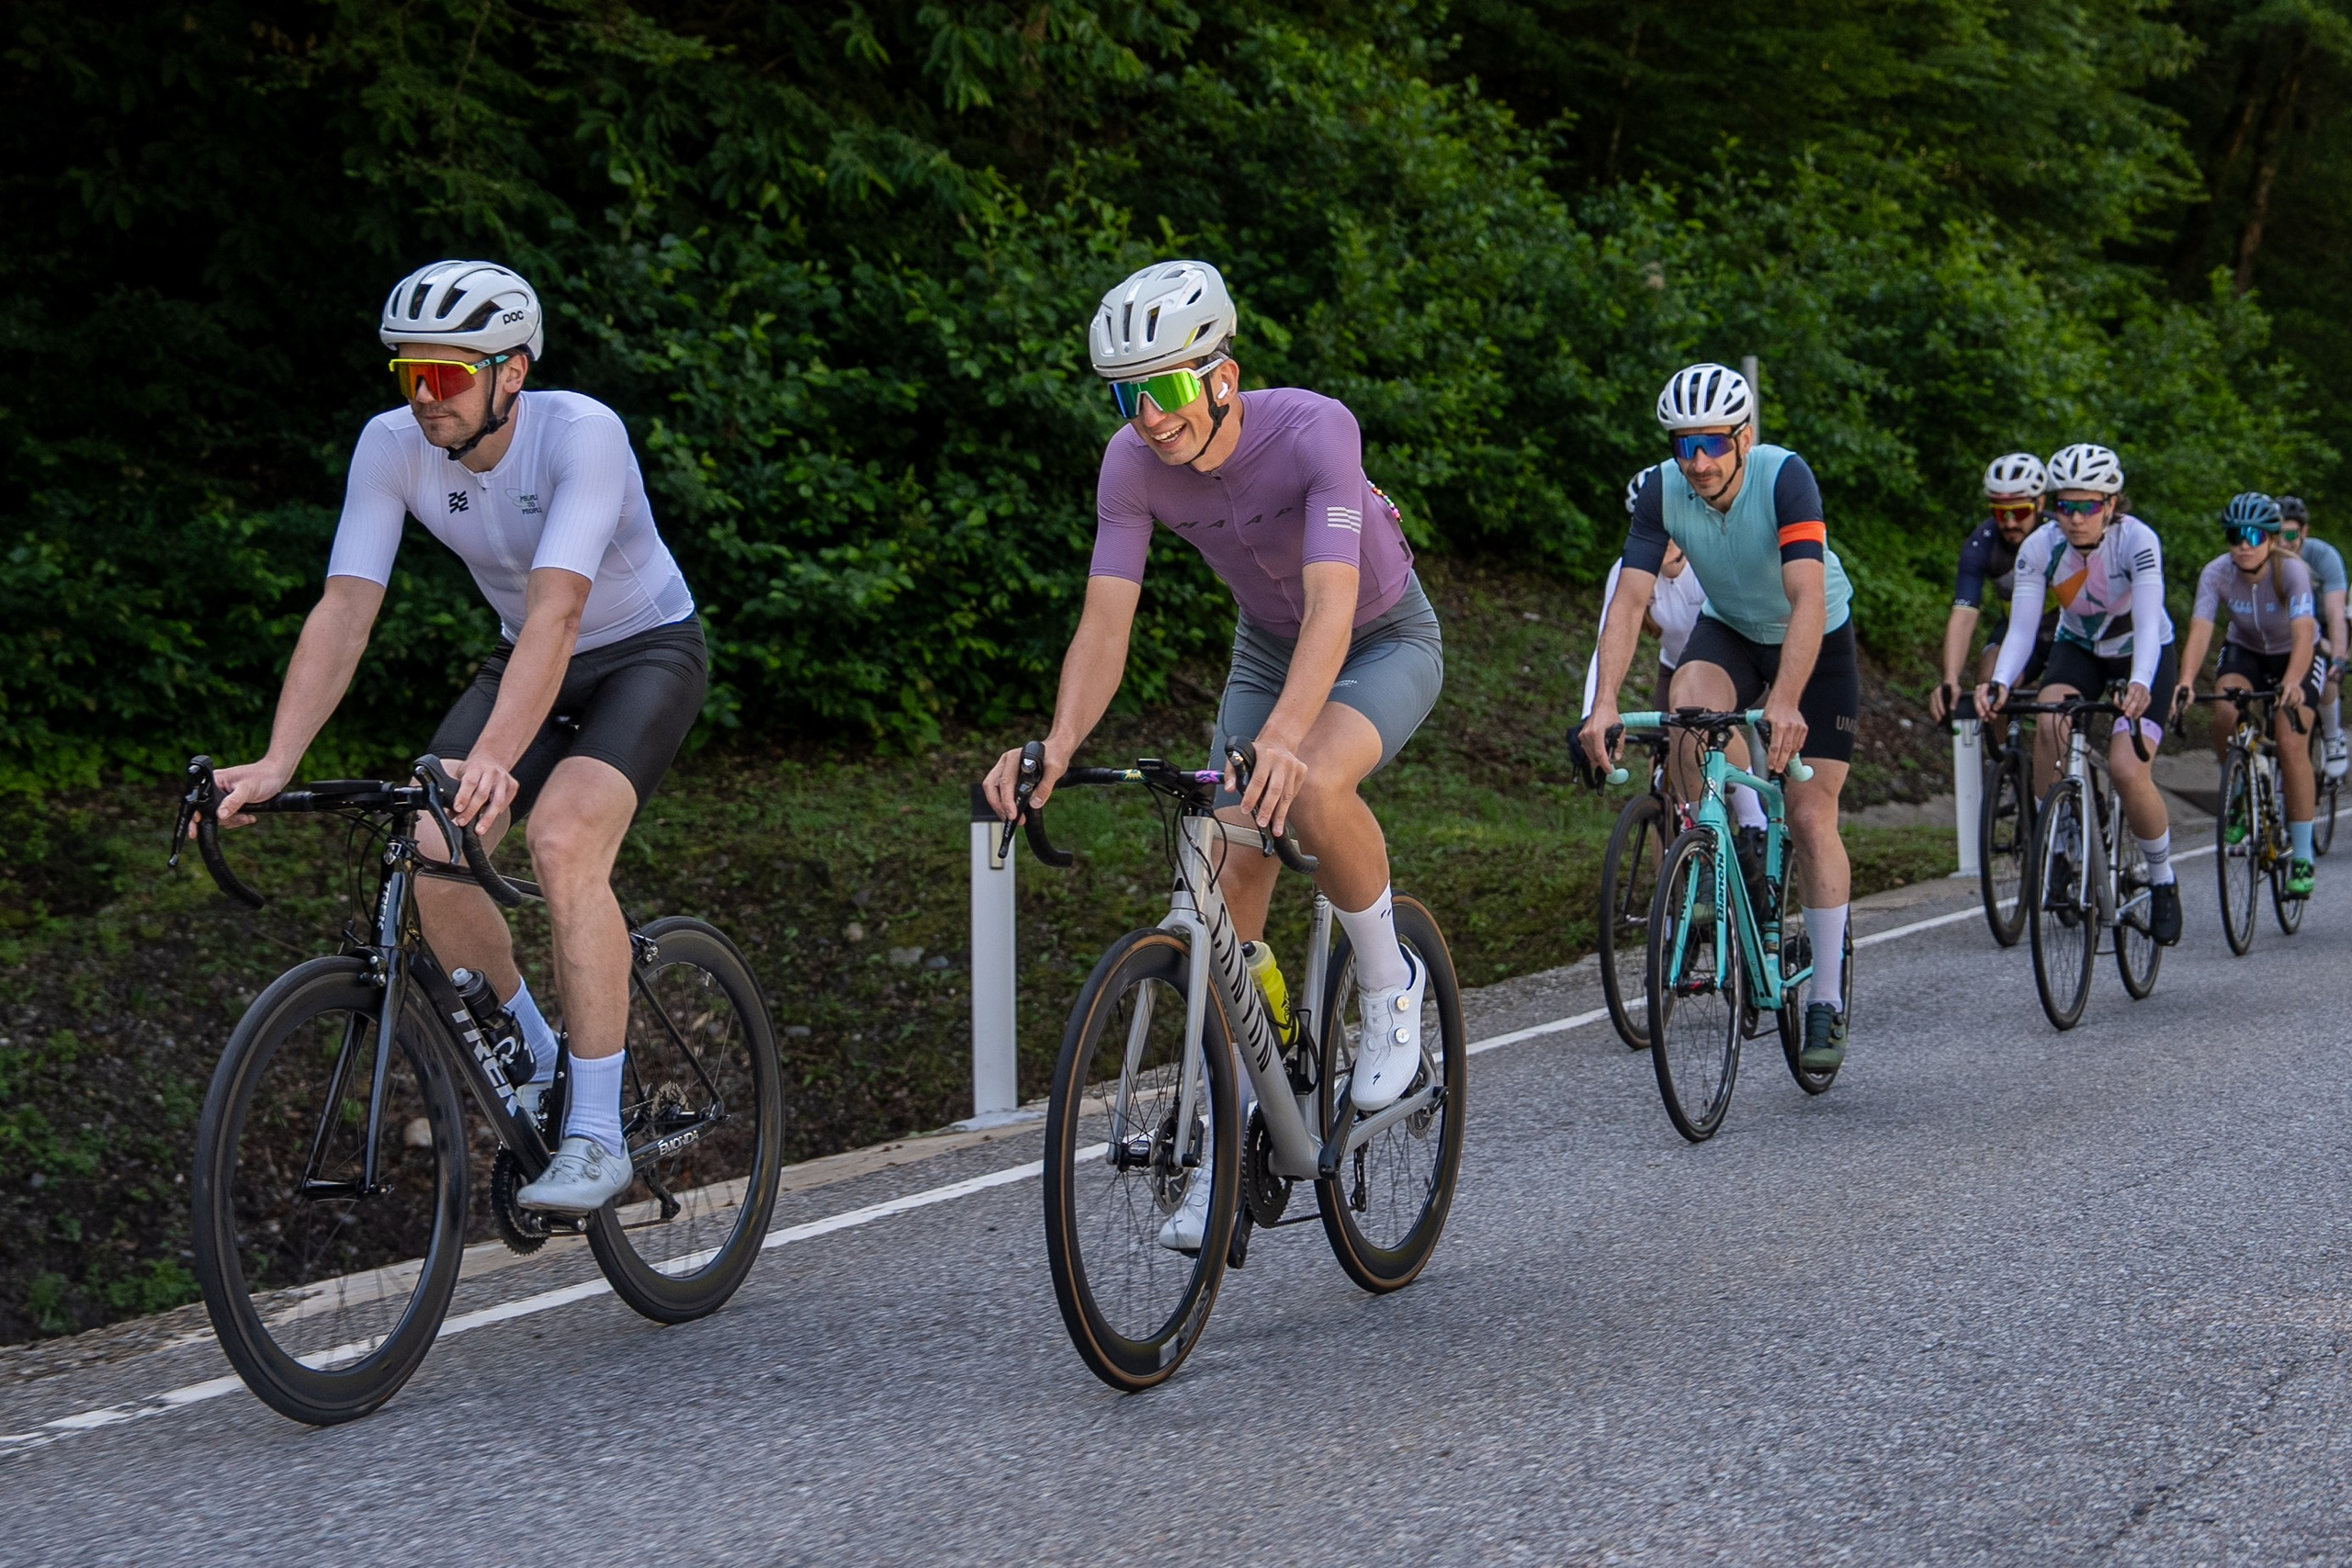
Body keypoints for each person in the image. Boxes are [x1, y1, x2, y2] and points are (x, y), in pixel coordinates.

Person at [203, 260, 707, 1213]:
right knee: (432, 839)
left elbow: (560, 612)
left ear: (512, 371)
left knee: (562, 841)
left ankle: (598, 1135)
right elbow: (345, 610)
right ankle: (537, 1055)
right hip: (525, 655)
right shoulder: (391, 445)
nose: (424, 396)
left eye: (445, 375)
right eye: (409, 373)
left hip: (643, 653)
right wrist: (278, 760)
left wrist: (495, 761)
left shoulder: (583, 433)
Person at [981, 259, 1443, 1252]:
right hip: (1266, 651)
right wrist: (1058, 742)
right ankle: (1229, 1149)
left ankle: (1387, 980)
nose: (1150, 417)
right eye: (1128, 395)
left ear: (1222, 375)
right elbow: (1106, 621)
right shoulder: (1129, 464)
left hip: (1379, 637)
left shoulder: (1315, 429)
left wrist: (1284, 737)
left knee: (1309, 786)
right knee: (1221, 884)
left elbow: (1331, 603)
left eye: (1168, 387)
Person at [1579, 362, 1860, 1073]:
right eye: (1685, 445)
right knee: (1688, 715)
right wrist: (1604, 702)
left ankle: (1826, 996)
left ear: (1744, 437)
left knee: (1811, 815)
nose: (1698, 462)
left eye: (1712, 443)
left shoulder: (1785, 477)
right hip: (1730, 627)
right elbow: (1629, 601)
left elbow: (1807, 597)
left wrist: (1786, 699)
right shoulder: (1662, 491)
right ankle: (1715, 851)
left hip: (1814, 637)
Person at [1975, 443, 2181, 944]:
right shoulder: (2041, 546)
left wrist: (2139, 682)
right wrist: (2001, 680)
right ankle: (2063, 844)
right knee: (2050, 720)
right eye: (2066, 505)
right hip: (2081, 648)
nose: (2075, 518)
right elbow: (2022, 630)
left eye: (2087, 506)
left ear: (2110, 505)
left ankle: (2162, 880)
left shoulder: (2138, 541)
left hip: (2141, 650)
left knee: (2128, 770)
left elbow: (2148, 623)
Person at [2173, 493, 2320, 897]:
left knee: (2290, 741)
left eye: (2253, 536)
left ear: (2271, 539)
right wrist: (2186, 680)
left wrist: (2293, 680)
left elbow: (2304, 632)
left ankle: (2303, 856)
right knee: (2224, 707)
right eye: (2235, 536)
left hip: (2294, 653)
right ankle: (2237, 789)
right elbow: (2201, 629)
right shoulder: (2217, 573)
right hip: (2246, 650)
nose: (2243, 545)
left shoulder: (2292, 571)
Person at [1928, 454, 2053, 724]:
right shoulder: (1982, 543)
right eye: (2000, 512)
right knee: (1989, 678)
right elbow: (1964, 614)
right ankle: (2002, 746)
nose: (2009, 522)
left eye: (2019, 512)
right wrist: (1950, 680)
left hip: (2065, 633)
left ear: (2040, 503)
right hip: (2016, 628)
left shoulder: (2060, 535)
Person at [2276, 496, 2349, 780]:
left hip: (2321, 624)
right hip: (2284, 626)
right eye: (2277, 534)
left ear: (2304, 532)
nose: (2283, 542)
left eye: (2290, 535)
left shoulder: (2324, 556)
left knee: (2325, 667)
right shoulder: (2262, 555)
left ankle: (2332, 736)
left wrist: (2339, 658)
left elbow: (2336, 611)